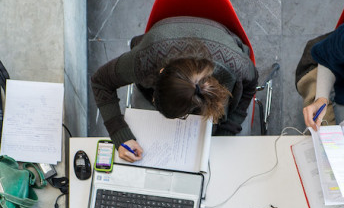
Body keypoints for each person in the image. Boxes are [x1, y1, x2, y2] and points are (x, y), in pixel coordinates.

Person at [91, 16, 258, 162]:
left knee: (230, 152)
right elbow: (100, 81)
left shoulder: (236, 65)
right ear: (160, 73)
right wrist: (120, 135)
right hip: (163, 42)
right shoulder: (146, 59)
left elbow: (251, 84)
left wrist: (229, 128)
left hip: (221, 48)